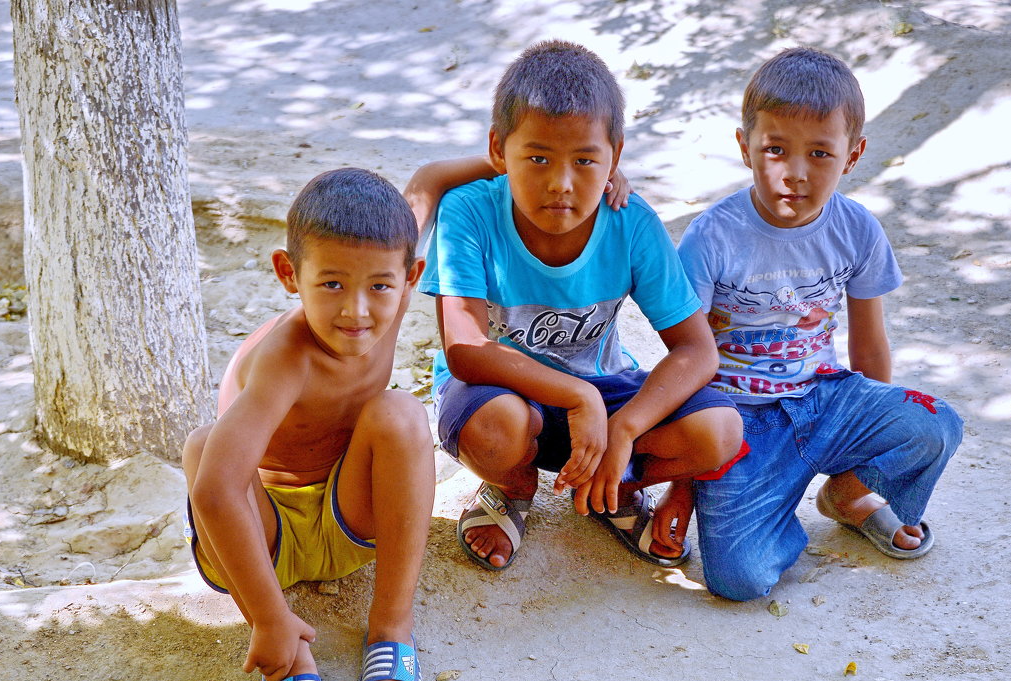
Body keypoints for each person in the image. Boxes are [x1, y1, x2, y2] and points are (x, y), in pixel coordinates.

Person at [410, 40, 745, 571]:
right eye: (537, 157)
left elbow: (696, 351)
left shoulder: (631, 222)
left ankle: (611, 480)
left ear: (615, 156)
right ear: (499, 150)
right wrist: (579, 397)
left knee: (720, 431)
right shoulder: (470, 213)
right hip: (502, 394)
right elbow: (467, 351)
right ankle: (511, 490)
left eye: (586, 160)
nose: (561, 184)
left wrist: (626, 428)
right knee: (496, 429)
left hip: (605, 393)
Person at [657, 47, 964, 601]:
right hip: (738, 421)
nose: (794, 174)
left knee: (937, 423)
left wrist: (877, 451)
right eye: (774, 149)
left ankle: (849, 495)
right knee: (739, 579)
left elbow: (869, 345)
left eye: (820, 153)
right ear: (744, 147)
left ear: (853, 154)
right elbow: (688, 362)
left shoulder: (858, 230)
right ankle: (769, 505)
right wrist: (682, 485)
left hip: (825, 401)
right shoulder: (711, 236)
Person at [181, 168, 434, 681]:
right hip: (256, 544)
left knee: (399, 414)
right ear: (289, 275)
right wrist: (272, 620)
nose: (356, 311)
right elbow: (217, 490)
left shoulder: (383, 296)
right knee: (203, 447)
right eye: (331, 285)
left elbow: (429, 182)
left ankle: (392, 629)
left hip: (348, 523)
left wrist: (604, 174)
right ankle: (290, 664)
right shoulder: (286, 357)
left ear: (410, 278)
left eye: (379, 287)